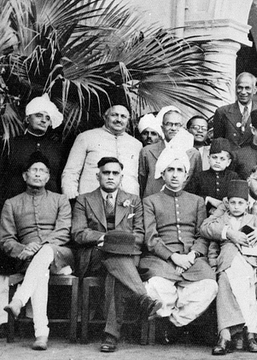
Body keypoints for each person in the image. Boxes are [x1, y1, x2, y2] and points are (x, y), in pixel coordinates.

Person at [71, 157, 162, 352]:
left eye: (115, 173)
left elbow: (140, 235)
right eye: (106, 173)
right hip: (95, 254)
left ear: (121, 177)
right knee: (114, 256)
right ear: (98, 175)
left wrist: (118, 242)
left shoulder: (134, 201)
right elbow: (79, 233)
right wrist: (108, 238)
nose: (110, 177)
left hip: (126, 257)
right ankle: (142, 297)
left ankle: (110, 336)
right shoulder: (84, 200)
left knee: (115, 271)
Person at [203, 166, 257, 355]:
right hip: (232, 257)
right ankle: (230, 334)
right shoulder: (229, 204)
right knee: (225, 279)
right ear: (249, 180)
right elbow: (207, 227)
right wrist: (229, 233)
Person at [138, 148, 217, 343]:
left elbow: (202, 235)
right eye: (170, 170)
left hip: (192, 260)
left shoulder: (197, 201)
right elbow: (150, 237)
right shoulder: (150, 201)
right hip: (160, 259)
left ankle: (174, 323)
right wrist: (173, 256)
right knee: (155, 287)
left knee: (209, 285)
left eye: (179, 170)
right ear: (162, 174)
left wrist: (192, 255)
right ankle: (178, 320)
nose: (175, 175)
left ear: (186, 175)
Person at [1, 151, 74, 351]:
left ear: (49, 177)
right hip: (27, 259)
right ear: (25, 176)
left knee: (45, 253)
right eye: (34, 170)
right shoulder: (12, 203)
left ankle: (19, 300)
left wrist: (40, 246)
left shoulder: (60, 200)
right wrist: (23, 248)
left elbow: (63, 231)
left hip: (60, 255)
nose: (38, 174)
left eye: (43, 171)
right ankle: (41, 334)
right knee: (41, 271)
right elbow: (6, 239)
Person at [62, 104, 142, 199]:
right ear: (105, 117)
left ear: (128, 120)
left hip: (127, 201)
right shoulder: (86, 137)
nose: (119, 120)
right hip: (91, 199)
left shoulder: (136, 144)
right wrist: (70, 194)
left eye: (123, 116)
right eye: (114, 115)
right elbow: (71, 171)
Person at [0, 94, 66, 208]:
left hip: (49, 206)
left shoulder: (57, 148)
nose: (43, 120)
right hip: (15, 204)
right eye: (39, 116)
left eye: (47, 118)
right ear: (27, 118)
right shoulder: (12, 144)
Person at [138, 106, 202, 198]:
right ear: (162, 127)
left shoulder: (193, 154)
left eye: (177, 125)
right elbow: (142, 182)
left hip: (181, 205)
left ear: (182, 127)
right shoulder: (147, 151)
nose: (173, 128)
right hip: (153, 203)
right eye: (169, 124)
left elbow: (196, 185)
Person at [210, 72, 257, 150]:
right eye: (240, 87)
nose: (243, 92)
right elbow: (218, 144)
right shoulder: (222, 112)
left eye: (247, 88)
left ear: (254, 90)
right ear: (235, 88)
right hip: (230, 159)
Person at [184, 138, 239, 214]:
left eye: (222, 159)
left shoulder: (233, 177)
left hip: (226, 216)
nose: (217, 161)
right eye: (214, 157)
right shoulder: (199, 176)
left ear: (228, 162)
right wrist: (207, 199)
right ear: (208, 159)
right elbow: (187, 196)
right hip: (203, 215)